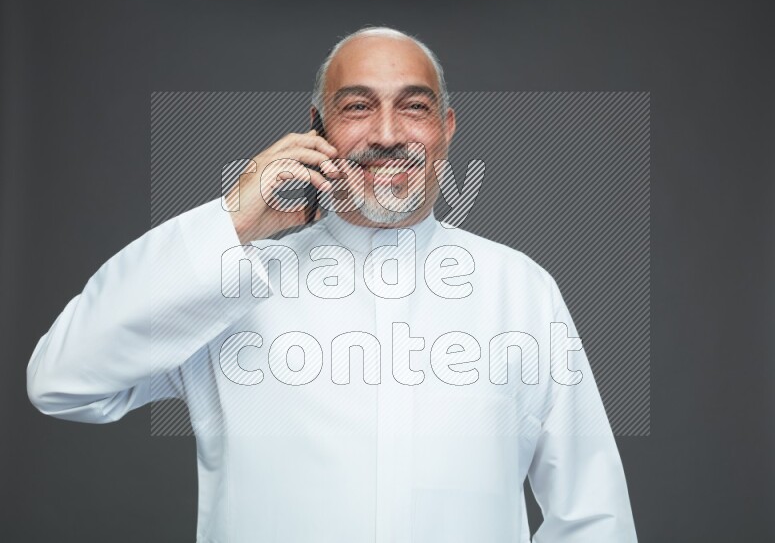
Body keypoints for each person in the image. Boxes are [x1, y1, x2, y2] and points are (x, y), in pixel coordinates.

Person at [26, 26, 638, 542]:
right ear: (317, 126)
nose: (388, 134)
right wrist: (231, 223)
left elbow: (593, 515)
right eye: (357, 106)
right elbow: (61, 382)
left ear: (447, 128)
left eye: (415, 106)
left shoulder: (521, 290)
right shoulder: (228, 282)